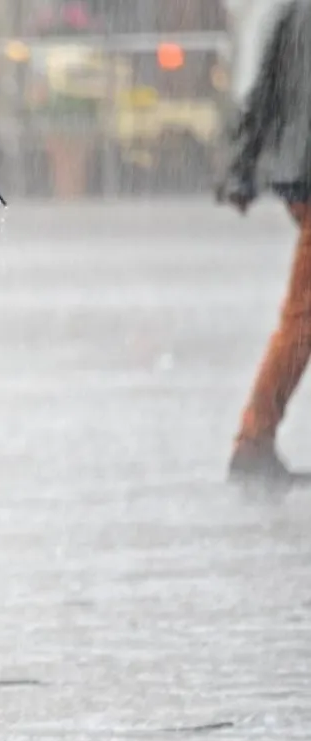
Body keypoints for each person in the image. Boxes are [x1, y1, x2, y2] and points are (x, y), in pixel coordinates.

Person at [220, 0, 311, 486]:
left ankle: (255, 439)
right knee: (303, 317)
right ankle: (254, 439)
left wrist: (241, 168)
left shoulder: (294, 12)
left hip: (300, 177)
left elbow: (264, 93)